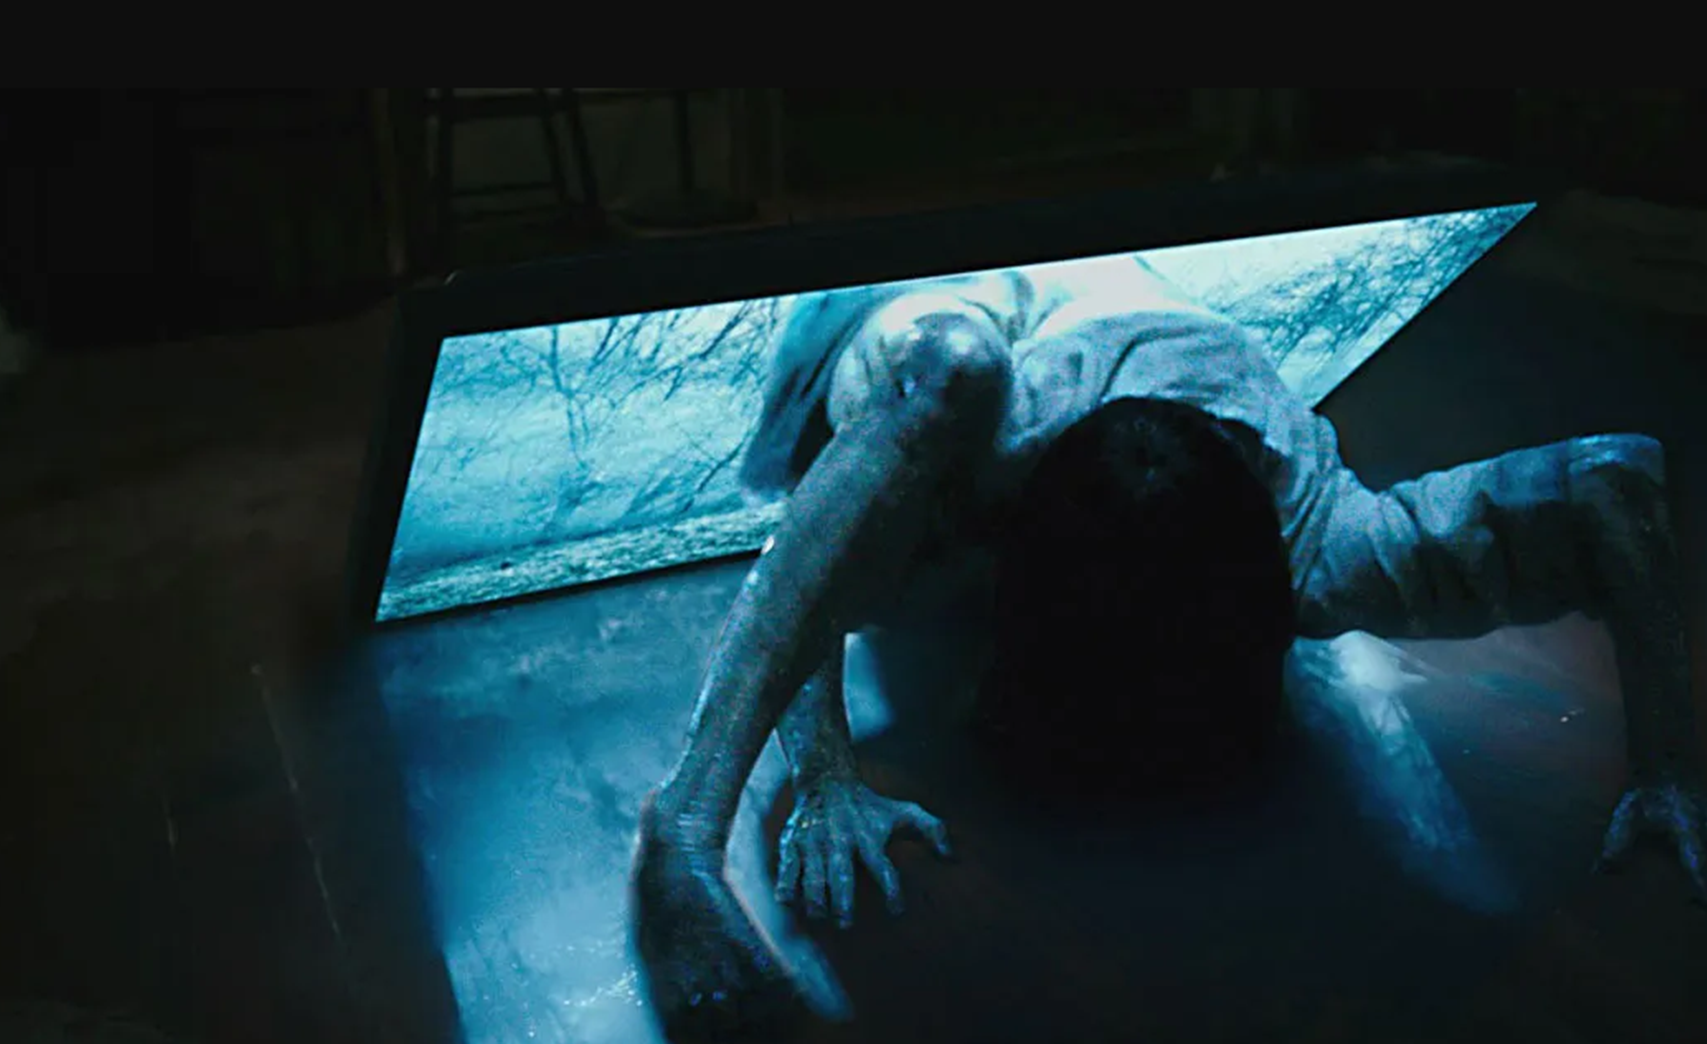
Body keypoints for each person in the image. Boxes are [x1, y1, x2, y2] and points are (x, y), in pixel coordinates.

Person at [630, 254, 1706, 1038]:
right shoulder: (974, 447)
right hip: (976, 318)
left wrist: (1670, 765)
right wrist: (734, 812)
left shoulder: (1315, 537)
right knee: (949, 367)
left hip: (1133, 312)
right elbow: (809, 554)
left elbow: (1609, 483)